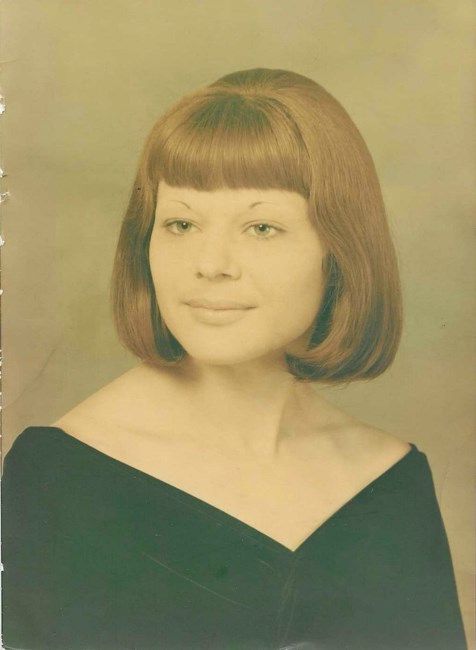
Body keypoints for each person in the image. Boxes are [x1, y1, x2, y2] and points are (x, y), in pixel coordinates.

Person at [1, 68, 467, 650]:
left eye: (261, 227)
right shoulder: (57, 475)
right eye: (181, 223)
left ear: (340, 251)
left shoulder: (392, 482)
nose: (211, 264)